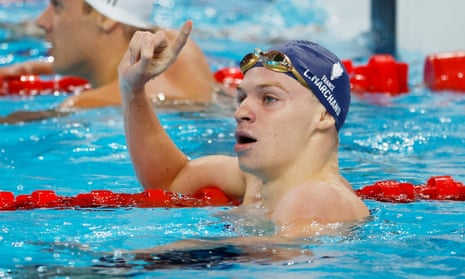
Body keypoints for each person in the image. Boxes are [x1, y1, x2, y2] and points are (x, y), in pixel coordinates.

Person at [118, 20, 369, 241]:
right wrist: (133, 90)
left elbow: (278, 260)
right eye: (242, 99)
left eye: (269, 99)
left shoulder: (317, 197)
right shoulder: (258, 181)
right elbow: (169, 180)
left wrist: (120, 265)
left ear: (324, 116)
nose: (240, 112)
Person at [0, 0, 213, 123]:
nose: (41, 21)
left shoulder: (83, 105)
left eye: (57, 6)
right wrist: (35, 67)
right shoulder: (180, 45)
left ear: (105, 18)